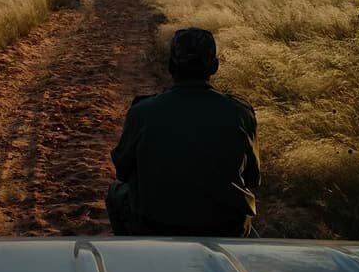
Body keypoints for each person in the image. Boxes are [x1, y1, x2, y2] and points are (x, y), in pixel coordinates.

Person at [106, 27, 259, 237]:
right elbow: (252, 177)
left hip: (154, 225)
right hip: (226, 228)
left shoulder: (142, 111)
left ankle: (134, 252)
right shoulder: (240, 113)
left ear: (170, 66)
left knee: (115, 193)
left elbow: (122, 171)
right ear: (214, 66)